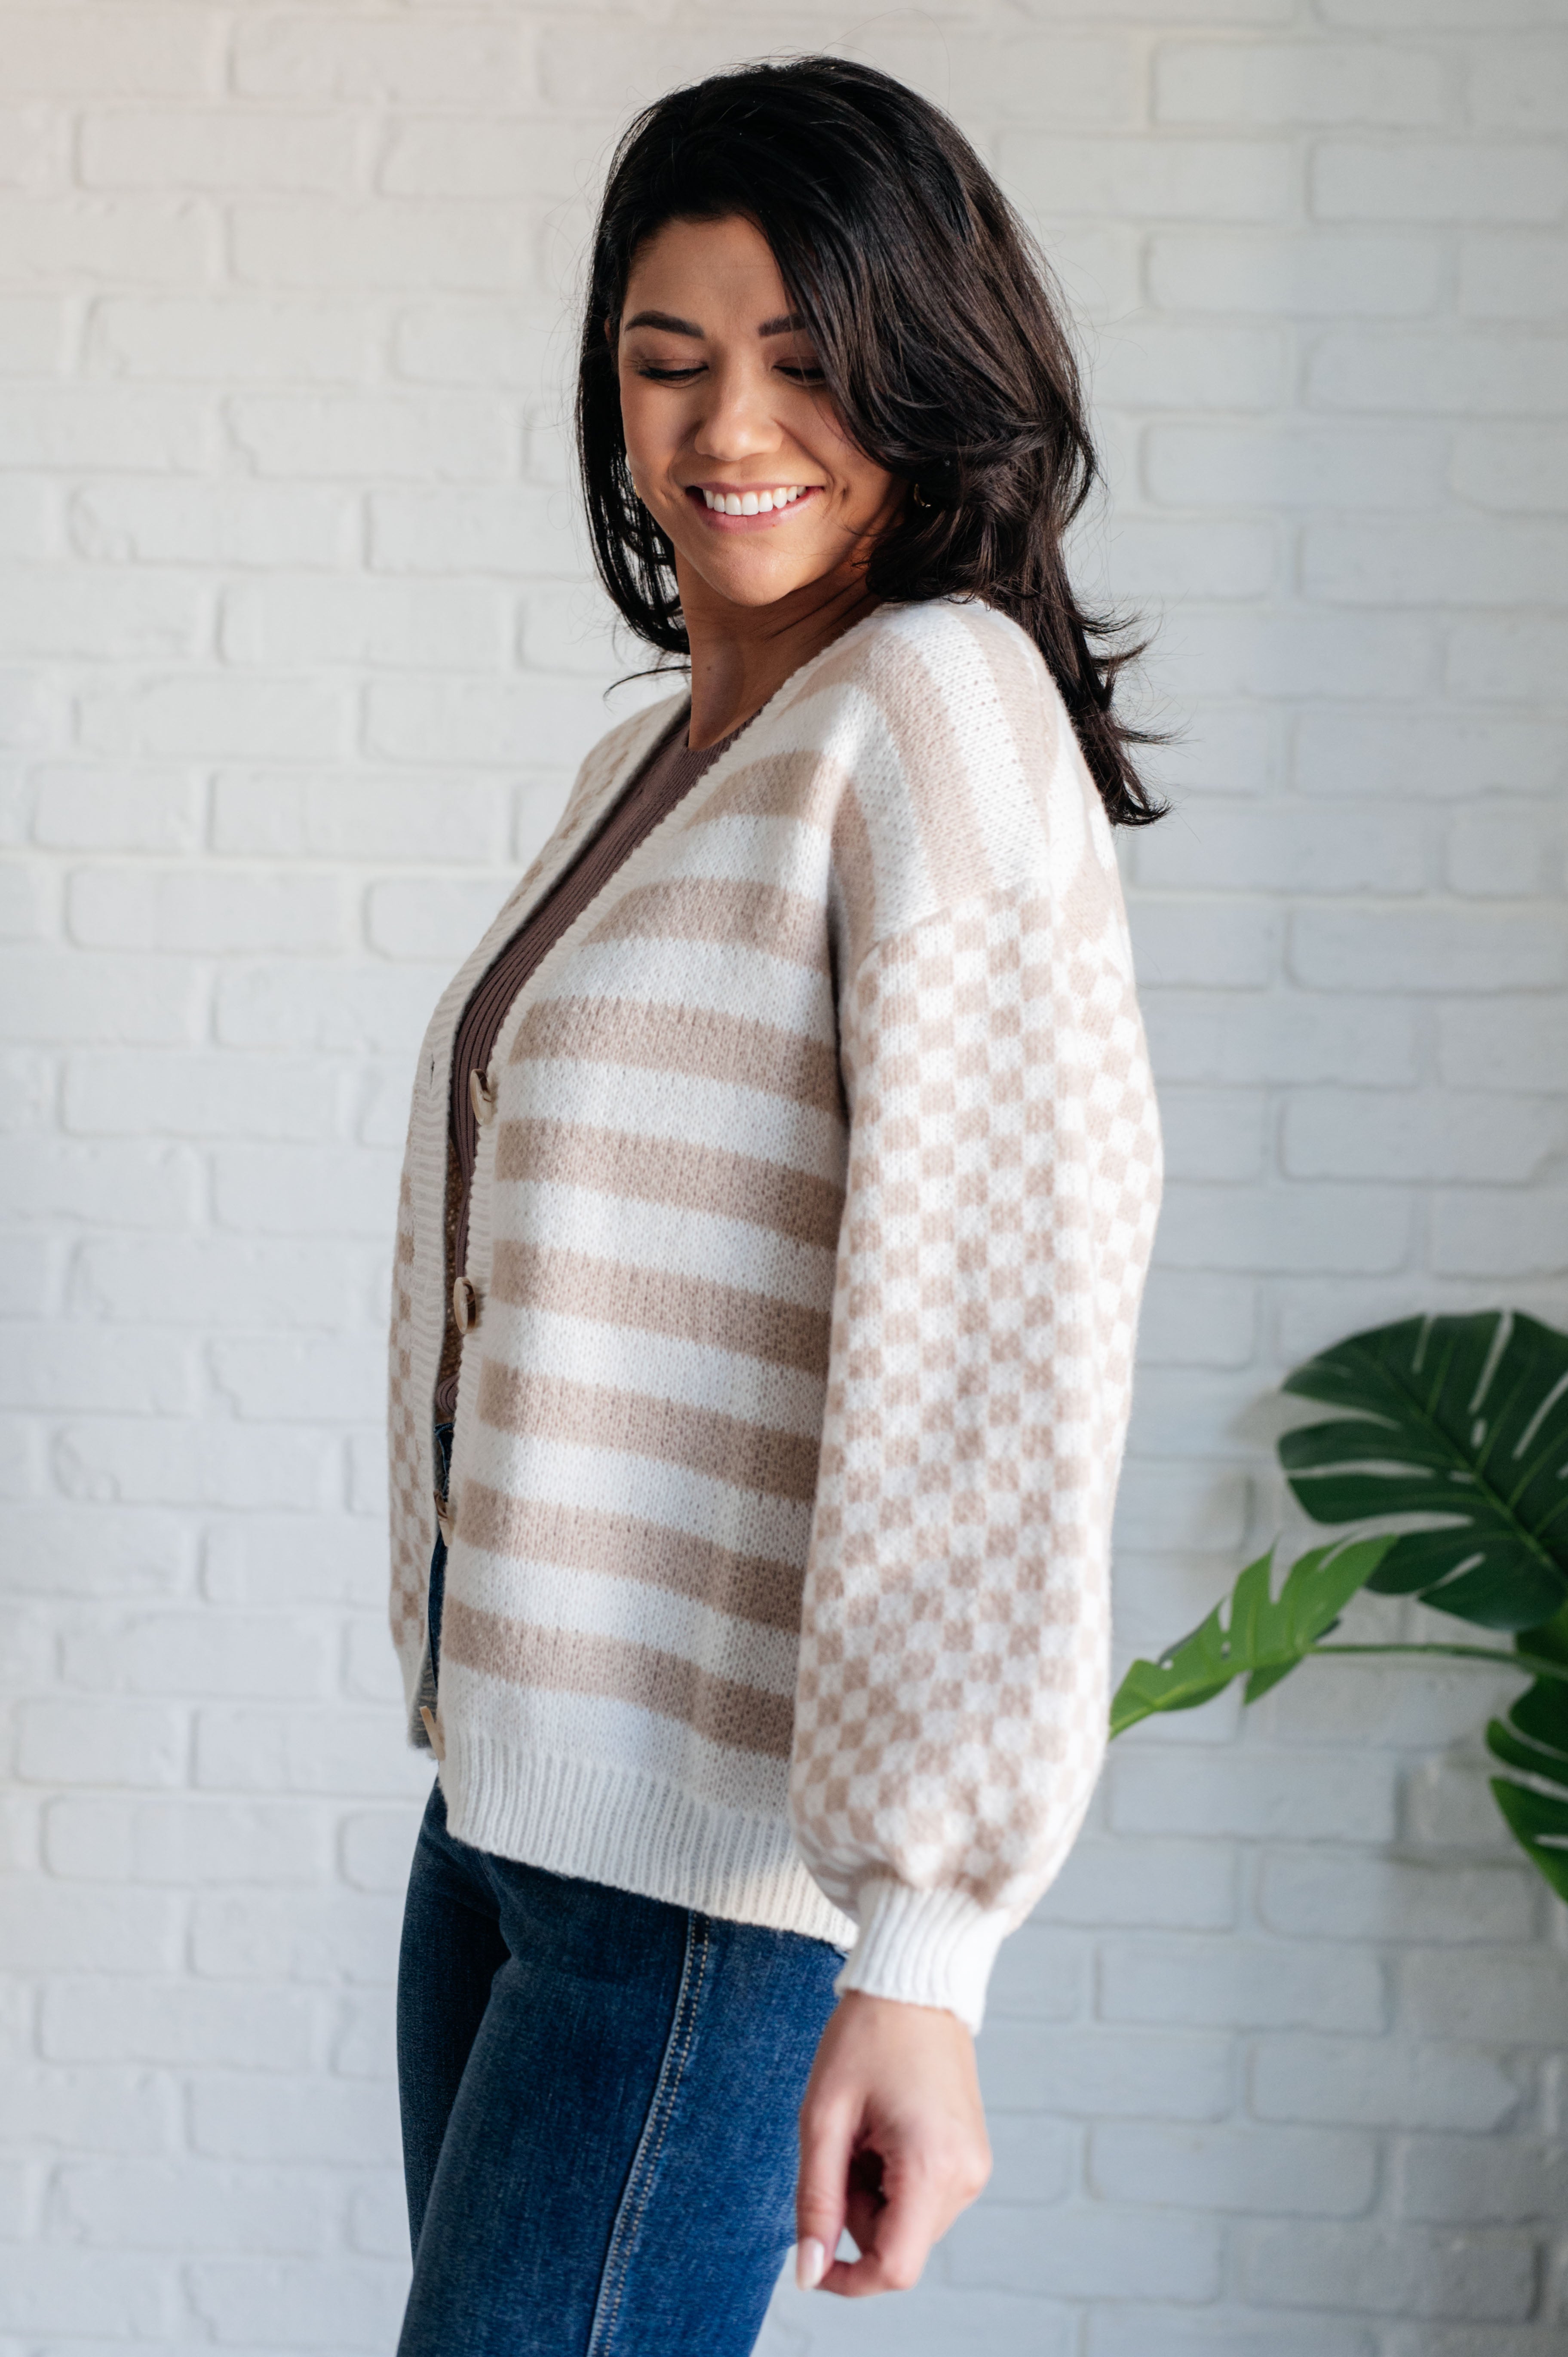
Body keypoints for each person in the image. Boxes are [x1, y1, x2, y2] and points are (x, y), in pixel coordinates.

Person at [387, 55, 1163, 2357]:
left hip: (707, 1895)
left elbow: (998, 1339)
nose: (730, 428)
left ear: (931, 379)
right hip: (510, 1830)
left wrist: (926, 1951)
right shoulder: (652, 758)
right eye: (670, 360)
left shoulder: (935, 711)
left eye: (809, 362)